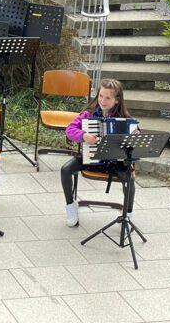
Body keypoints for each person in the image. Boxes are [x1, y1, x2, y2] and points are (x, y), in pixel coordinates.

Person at [62, 78, 137, 227]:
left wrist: (134, 134)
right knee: (65, 170)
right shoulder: (88, 114)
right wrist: (84, 136)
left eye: (108, 97)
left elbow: (133, 142)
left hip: (115, 162)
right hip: (91, 158)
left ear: (117, 100)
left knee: (129, 179)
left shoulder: (125, 119)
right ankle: (71, 207)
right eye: (100, 96)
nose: (102, 100)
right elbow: (69, 130)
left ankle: (127, 215)